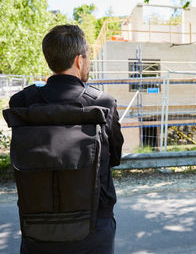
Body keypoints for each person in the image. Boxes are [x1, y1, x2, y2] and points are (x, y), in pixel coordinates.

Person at [9, 25, 124, 254]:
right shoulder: (103, 103)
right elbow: (115, 157)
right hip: (93, 227)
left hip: (37, 226)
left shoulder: (21, 102)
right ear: (79, 61)